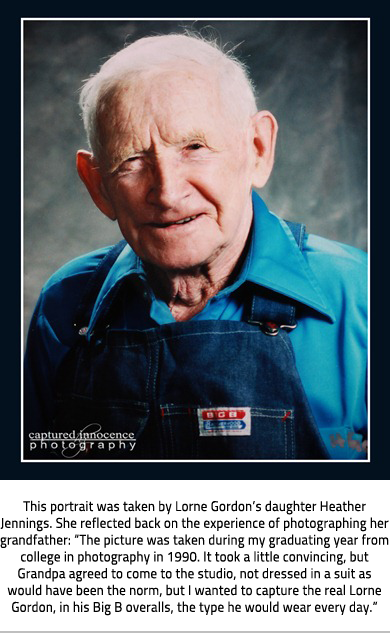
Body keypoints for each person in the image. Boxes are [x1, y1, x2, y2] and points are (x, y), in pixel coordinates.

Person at [24, 32, 367, 461]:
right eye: (132, 160)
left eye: (194, 147)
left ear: (258, 149)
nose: (167, 192)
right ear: (98, 185)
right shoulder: (65, 305)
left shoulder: (361, 299)